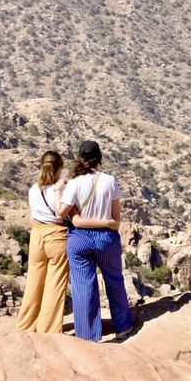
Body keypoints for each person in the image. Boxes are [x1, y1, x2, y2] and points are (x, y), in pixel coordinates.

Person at [58, 140, 133, 341]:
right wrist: (105, 223)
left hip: (79, 238)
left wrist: (74, 211)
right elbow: (116, 220)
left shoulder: (73, 183)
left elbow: (60, 213)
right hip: (106, 238)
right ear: (99, 158)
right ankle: (123, 327)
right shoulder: (109, 181)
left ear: (80, 159)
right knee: (114, 280)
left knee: (83, 285)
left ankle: (87, 335)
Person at [16, 151, 70, 333]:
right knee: (55, 283)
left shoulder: (33, 189)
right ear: (60, 167)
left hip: (37, 235)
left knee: (33, 281)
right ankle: (48, 330)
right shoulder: (60, 189)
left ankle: (26, 325)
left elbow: (32, 218)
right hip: (57, 235)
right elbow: (62, 213)